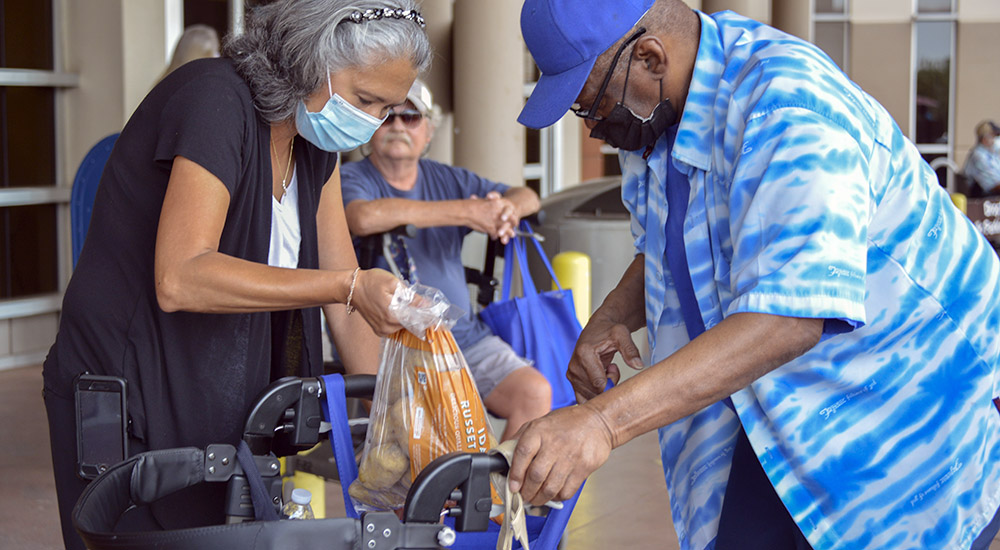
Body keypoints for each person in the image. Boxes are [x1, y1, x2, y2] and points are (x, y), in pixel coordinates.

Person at [506, 1, 1000, 549]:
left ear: (649, 57)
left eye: (593, 104)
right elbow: (672, 242)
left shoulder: (789, 108)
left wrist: (603, 423)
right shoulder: (658, 114)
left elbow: (790, 318)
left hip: (903, 406)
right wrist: (611, 316)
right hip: (780, 404)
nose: (595, 128)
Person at [43, 1, 430, 548]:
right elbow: (182, 276)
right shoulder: (215, 99)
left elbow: (348, 299)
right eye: (366, 101)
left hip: (215, 390)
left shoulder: (315, 144)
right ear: (307, 59)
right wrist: (348, 287)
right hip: (127, 391)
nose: (373, 124)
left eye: (389, 109)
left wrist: (399, 420)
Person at [339, 79, 552, 441]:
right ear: (371, 127)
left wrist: (506, 210)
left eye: (411, 117)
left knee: (534, 393)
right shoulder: (351, 177)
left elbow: (527, 195)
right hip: (388, 343)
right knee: (426, 429)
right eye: (387, 116)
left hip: (461, 336)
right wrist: (468, 212)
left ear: (428, 132)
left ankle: (494, 495)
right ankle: (449, 493)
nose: (398, 126)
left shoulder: (447, 177)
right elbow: (364, 217)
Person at [963, 120, 1000, 197]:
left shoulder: (991, 151)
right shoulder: (978, 155)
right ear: (985, 138)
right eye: (993, 136)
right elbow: (992, 186)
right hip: (982, 197)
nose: (995, 139)